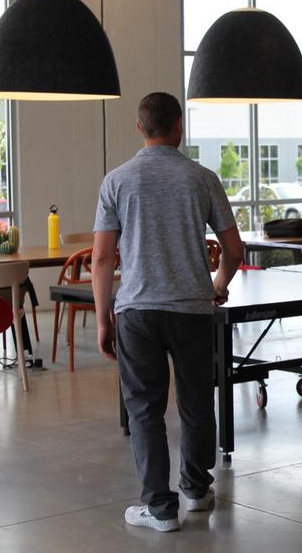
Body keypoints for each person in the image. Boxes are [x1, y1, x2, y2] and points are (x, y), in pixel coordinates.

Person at [92, 92, 243, 533]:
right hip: (193, 311)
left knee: (145, 410)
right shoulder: (202, 178)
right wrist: (218, 285)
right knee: (197, 402)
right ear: (179, 126)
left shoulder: (116, 181)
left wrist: (104, 318)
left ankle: (160, 508)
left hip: (137, 313)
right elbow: (234, 249)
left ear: (140, 128)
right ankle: (196, 490)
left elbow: (102, 260)